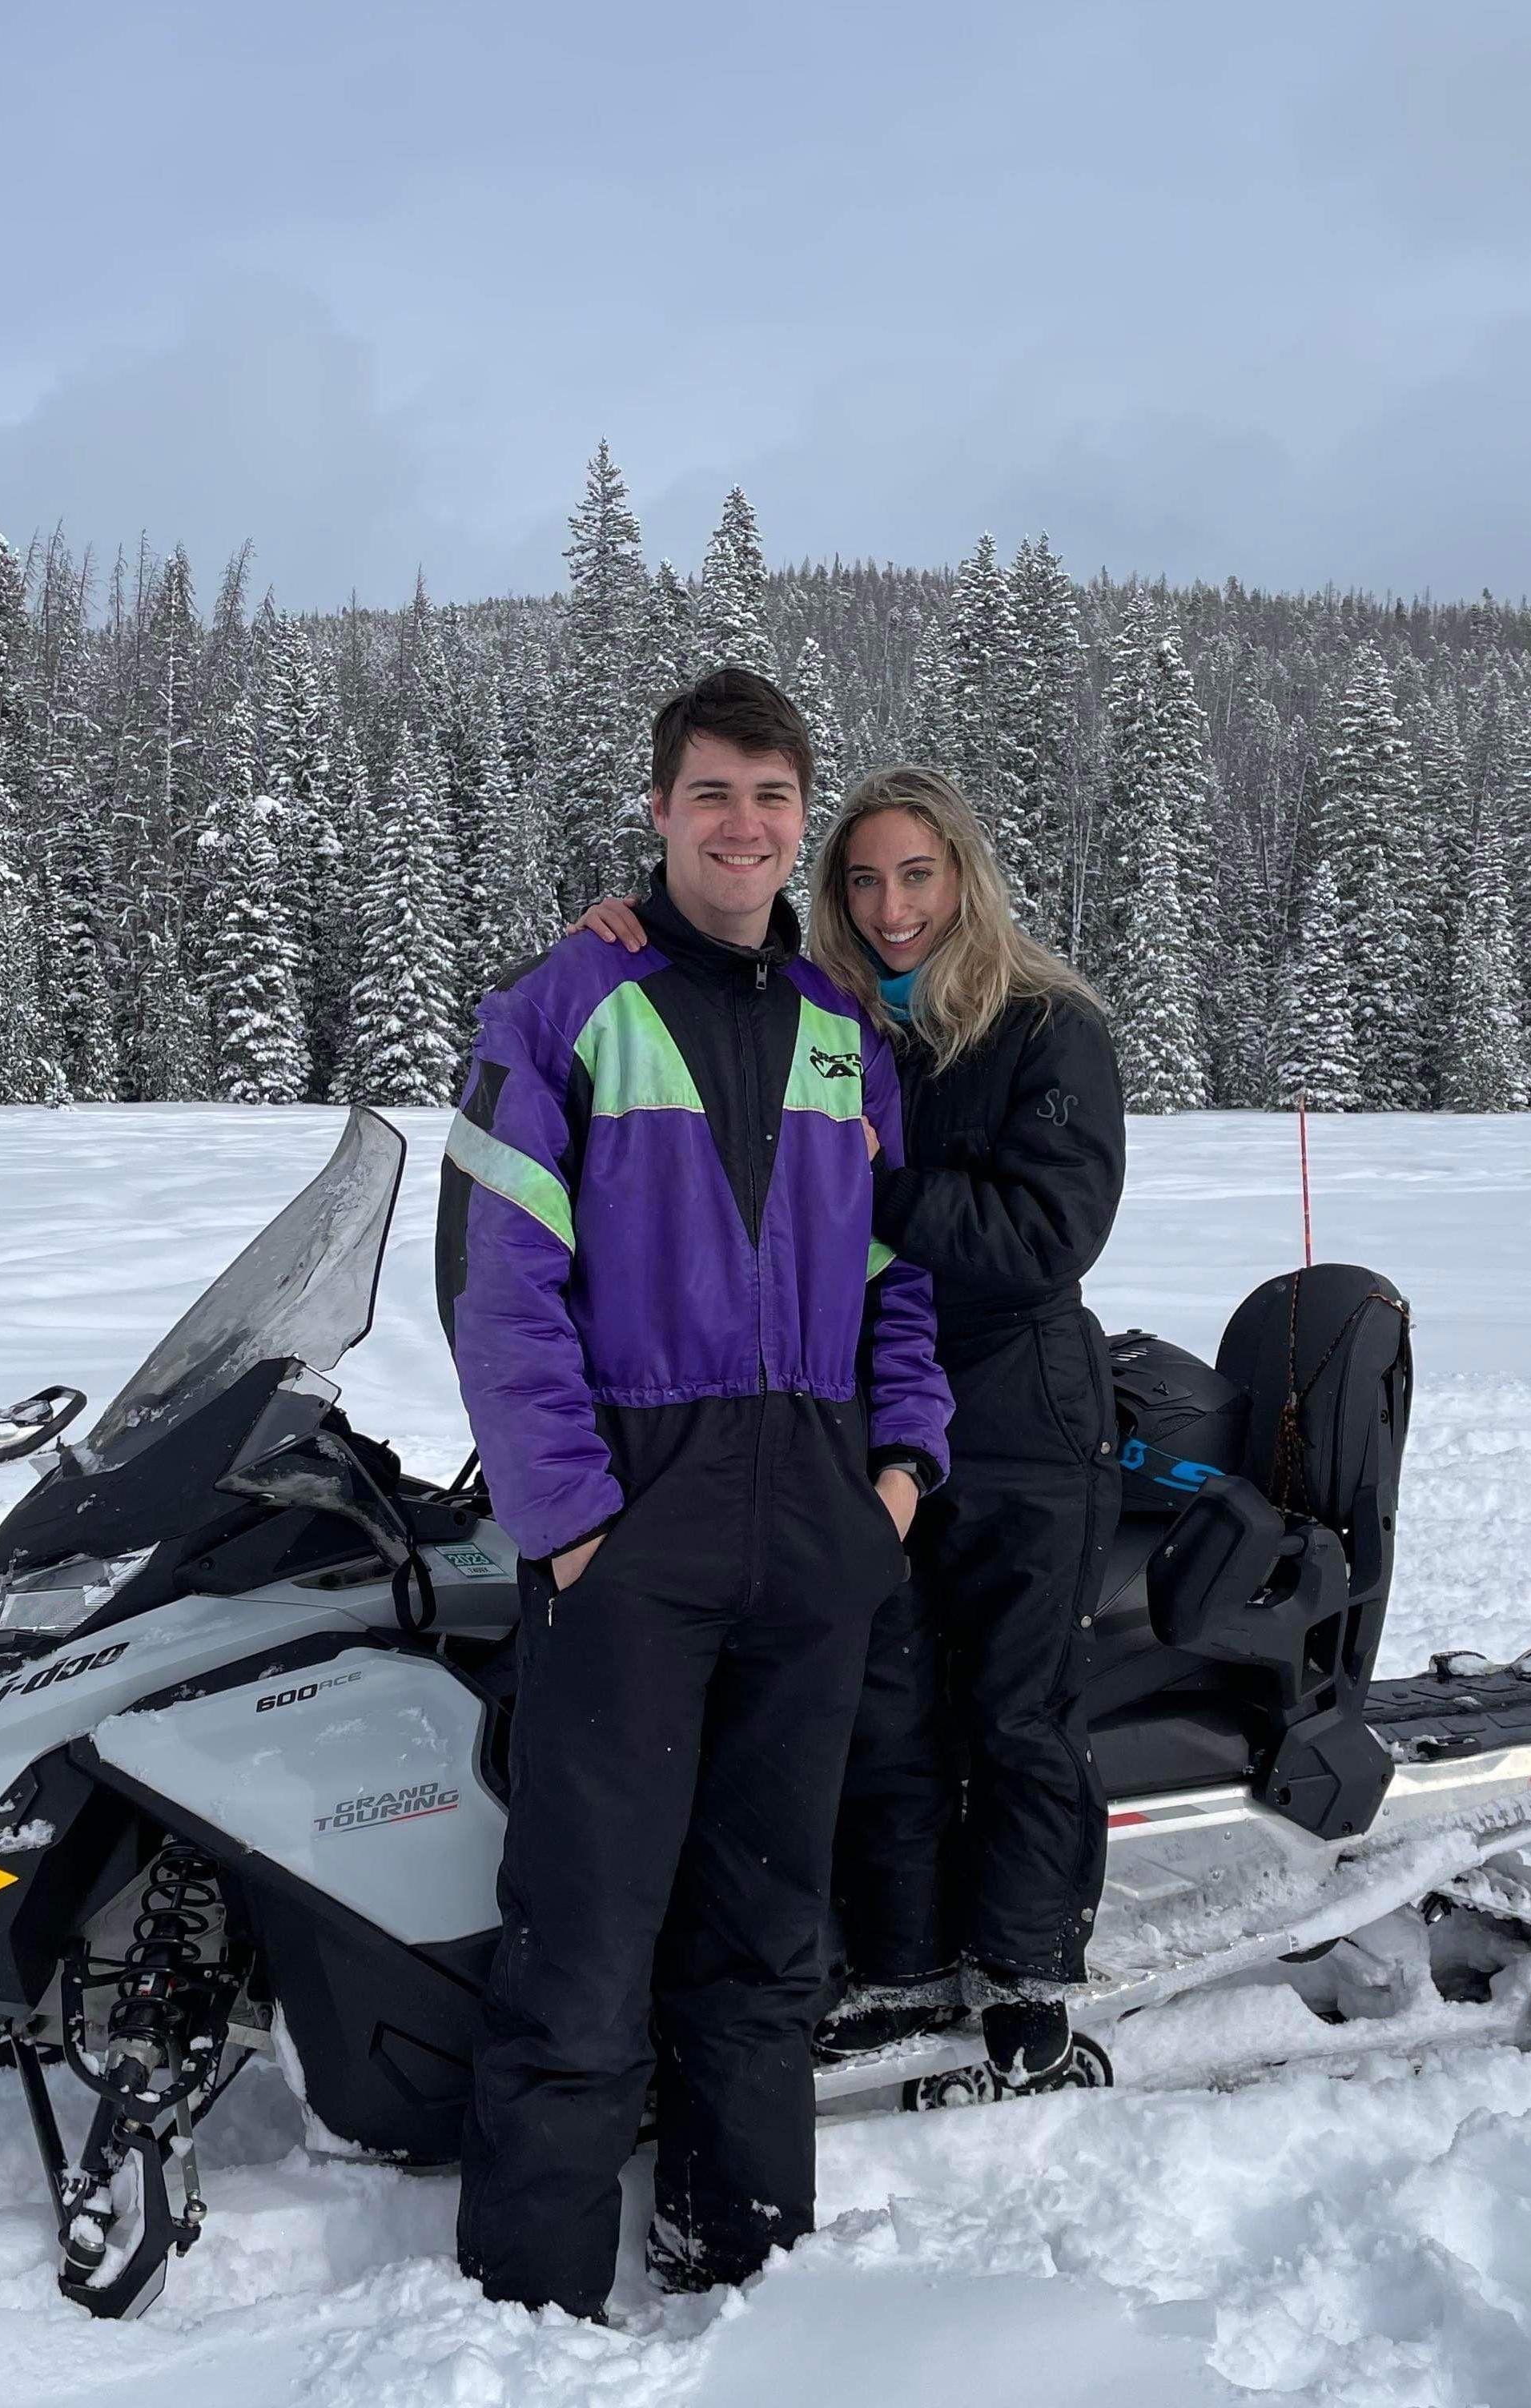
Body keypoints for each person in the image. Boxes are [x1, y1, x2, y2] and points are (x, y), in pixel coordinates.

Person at [436, 669, 953, 2322]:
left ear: (803, 819)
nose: (745, 826)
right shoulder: (565, 1004)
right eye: (714, 794)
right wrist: (573, 1521)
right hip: (633, 1526)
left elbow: (894, 1281)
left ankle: (743, 2271)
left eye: (773, 797)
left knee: (763, 1933)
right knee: (584, 1932)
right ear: (659, 812)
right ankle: (528, 2306)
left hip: (809, 1524)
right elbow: (494, 1282)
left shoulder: (835, 1028)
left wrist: (894, 1471)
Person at [577, 762, 1124, 2089]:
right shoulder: (831, 1020)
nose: (892, 908)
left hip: (1018, 1415)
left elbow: (1049, 1235)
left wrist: (879, 1185)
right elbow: (714, 983)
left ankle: (1028, 1969)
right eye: (864, 880)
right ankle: (897, 1959)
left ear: (965, 877)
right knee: (880, 1702)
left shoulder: (1043, 1027)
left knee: (1015, 1710)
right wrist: (632, 931)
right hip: (862, 1410)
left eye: (917, 876)